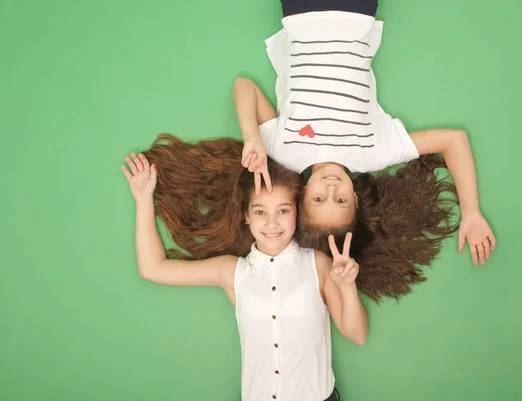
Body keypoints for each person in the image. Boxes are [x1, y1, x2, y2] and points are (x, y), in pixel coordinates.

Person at [233, 0, 496, 300]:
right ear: (356, 199)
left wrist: (252, 137)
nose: (332, 188)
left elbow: (244, 87)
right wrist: (471, 212)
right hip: (354, 12)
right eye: (341, 199)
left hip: (301, 12)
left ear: (303, 195)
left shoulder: (282, 153)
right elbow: (454, 140)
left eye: (320, 198)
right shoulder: (375, 154)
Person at [121, 137, 368, 401]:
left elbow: (358, 335)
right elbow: (153, 269)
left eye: (283, 211)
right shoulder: (232, 272)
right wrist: (143, 198)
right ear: (247, 216)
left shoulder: (318, 264)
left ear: (296, 212)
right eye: (260, 212)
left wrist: (347, 285)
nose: (272, 223)